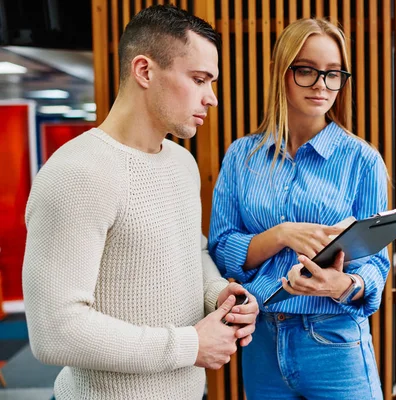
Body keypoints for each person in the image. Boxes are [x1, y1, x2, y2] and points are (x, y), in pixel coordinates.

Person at [22, 5, 258, 400]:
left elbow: (191, 251)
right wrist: (188, 345)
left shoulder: (182, 162)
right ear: (144, 71)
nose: (212, 98)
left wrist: (218, 292)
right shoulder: (77, 173)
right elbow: (54, 330)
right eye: (199, 79)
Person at [209, 18, 389, 400]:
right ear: (282, 72)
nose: (322, 85)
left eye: (333, 74)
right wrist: (282, 234)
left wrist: (345, 285)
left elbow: (375, 265)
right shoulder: (242, 156)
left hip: (334, 340)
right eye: (307, 71)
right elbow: (222, 248)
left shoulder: (363, 161)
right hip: (260, 340)